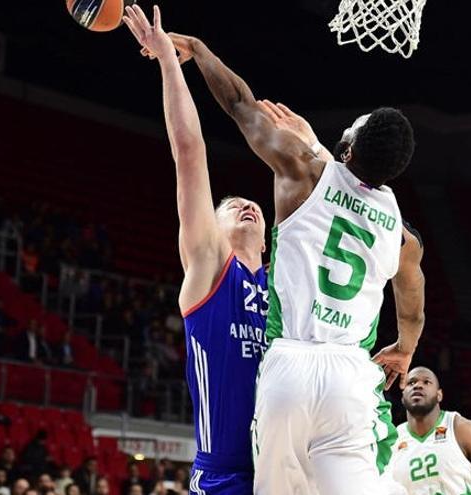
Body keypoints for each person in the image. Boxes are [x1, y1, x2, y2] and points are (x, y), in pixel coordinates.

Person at [162, 24, 424, 495]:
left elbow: (241, 105)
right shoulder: (403, 234)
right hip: (351, 374)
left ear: (347, 148)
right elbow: (412, 303)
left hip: (291, 368)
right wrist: (405, 347)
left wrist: (199, 49)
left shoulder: (302, 170)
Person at [122, 6, 268, 494]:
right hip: (225, 476)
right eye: (231, 206)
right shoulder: (210, 266)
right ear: (213, 228)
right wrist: (167, 60)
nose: (246, 204)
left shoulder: (285, 286)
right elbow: (189, 152)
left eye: (253, 205)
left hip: (285, 471)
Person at [387, 367, 471, 494]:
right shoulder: (394, 441)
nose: (418, 385)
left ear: (439, 395)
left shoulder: (462, 429)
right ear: (403, 397)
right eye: (411, 383)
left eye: (426, 382)